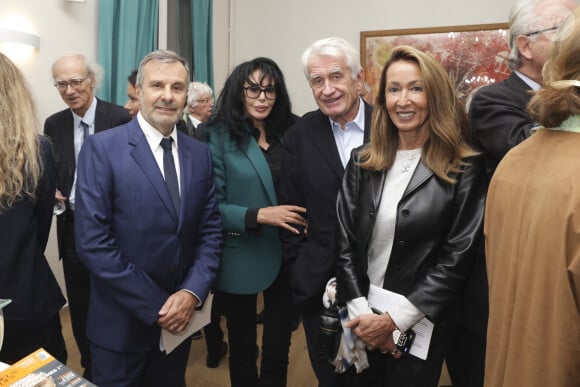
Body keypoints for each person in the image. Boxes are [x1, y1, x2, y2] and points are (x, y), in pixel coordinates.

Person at [335, 45, 486, 387]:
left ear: (434, 94)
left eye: (416, 88)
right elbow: (343, 245)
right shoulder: (362, 161)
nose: (404, 100)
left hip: (419, 324)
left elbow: (456, 257)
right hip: (358, 315)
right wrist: (364, 319)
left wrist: (392, 321)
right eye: (394, 89)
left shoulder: (465, 166)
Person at [74, 50, 223, 386]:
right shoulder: (102, 150)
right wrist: (162, 308)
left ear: (187, 95)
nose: (168, 96)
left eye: (177, 87)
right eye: (157, 85)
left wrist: (191, 294)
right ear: (139, 90)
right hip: (121, 331)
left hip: (180, 327)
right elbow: (93, 244)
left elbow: (211, 231)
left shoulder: (199, 153)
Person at [454, 2, 578, 385]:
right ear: (525, 44)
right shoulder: (494, 101)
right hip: (514, 271)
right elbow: (533, 146)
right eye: (566, 26)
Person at [205, 57, 306, 387]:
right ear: (239, 90)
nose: (262, 97)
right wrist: (257, 215)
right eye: (253, 89)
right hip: (241, 254)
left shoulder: (293, 130)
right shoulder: (217, 135)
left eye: (270, 90)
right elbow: (209, 207)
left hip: (289, 254)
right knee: (243, 349)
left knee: (279, 346)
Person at [280, 37, 371, 387]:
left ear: (358, 79)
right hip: (321, 287)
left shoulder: (389, 127)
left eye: (336, 76)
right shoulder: (301, 134)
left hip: (381, 288)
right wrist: (299, 265)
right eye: (317, 81)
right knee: (332, 376)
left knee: (377, 377)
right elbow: (291, 209)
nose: (328, 89)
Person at [43, 53, 131, 379]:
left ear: (91, 80)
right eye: (61, 84)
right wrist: (50, 189)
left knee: (113, 304)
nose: (69, 90)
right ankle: (91, 368)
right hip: (72, 227)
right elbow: (55, 170)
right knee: (80, 308)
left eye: (76, 81)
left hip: (114, 231)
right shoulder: (54, 124)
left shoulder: (121, 118)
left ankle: (117, 369)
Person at [0, 53, 67, 364]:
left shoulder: (39, 149)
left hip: (27, 297)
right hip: (27, 294)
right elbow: (41, 229)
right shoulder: (38, 149)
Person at [469, 0, 577, 177]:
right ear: (526, 46)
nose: (575, 40)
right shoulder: (490, 101)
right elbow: (527, 152)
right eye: (564, 29)